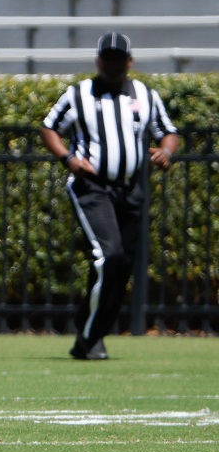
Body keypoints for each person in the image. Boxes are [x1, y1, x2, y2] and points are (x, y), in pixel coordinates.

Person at [40, 32, 179, 361]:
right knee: (109, 256)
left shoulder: (144, 95)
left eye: (120, 58)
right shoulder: (78, 94)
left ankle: (92, 332)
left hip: (130, 190)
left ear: (129, 62)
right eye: (108, 58)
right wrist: (68, 159)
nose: (113, 64)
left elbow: (168, 131)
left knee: (121, 266)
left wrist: (166, 152)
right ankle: (89, 336)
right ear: (98, 60)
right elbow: (49, 127)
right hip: (92, 188)